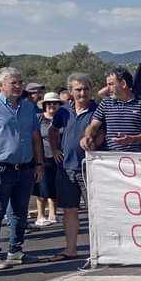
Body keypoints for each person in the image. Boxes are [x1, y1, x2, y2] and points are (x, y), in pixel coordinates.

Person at [0, 67, 45, 270]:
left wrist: (39, 163)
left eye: (20, 82)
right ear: (0, 85)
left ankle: (15, 251)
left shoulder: (28, 107)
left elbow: (35, 137)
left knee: (20, 212)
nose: (19, 86)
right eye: (14, 82)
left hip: (25, 168)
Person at [48, 73, 98, 262]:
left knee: (95, 210)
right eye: (78, 89)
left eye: (86, 89)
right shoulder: (63, 111)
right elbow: (52, 130)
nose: (82, 93)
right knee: (69, 210)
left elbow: (102, 132)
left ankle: (98, 249)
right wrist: (54, 149)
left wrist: (95, 143)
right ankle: (70, 249)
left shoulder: (98, 109)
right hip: (66, 168)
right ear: (71, 91)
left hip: (90, 168)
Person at [80, 67, 141, 153]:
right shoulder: (106, 103)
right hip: (111, 158)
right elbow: (93, 126)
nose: (107, 88)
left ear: (123, 84)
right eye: (107, 85)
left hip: (136, 158)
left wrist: (132, 139)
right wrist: (88, 136)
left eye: (111, 84)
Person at [32, 92, 63, 228]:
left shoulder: (62, 119)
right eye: (49, 103)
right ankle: (40, 215)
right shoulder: (38, 118)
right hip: (42, 158)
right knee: (42, 188)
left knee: (55, 187)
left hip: (59, 158)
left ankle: (53, 214)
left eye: (55, 103)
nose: (52, 105)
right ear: (44, 105)